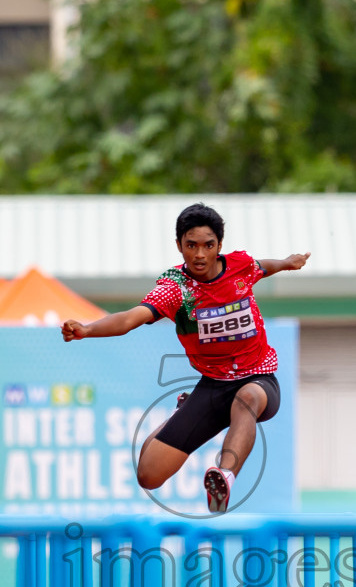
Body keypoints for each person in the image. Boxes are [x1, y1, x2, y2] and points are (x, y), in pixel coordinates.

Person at [60, 203, 309, 514]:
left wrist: (286, 263)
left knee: (246, 398)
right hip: (213, 387)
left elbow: (262, 266)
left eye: (208, 245)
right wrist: (86, 329)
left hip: (258, 379)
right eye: (191, 246)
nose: (200, 255)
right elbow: (129, 319)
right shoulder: (176, 289)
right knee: (148, 475)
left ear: (219, 246)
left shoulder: (239, 267)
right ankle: (183, 411)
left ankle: (225, 476)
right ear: (179, 245)